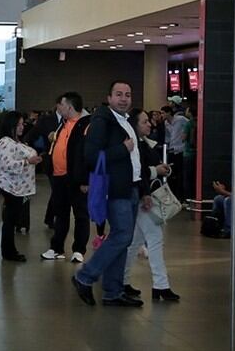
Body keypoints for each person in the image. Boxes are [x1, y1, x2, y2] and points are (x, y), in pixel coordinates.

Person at [73, 81, 153, 307]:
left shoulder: (125, 122)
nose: (124, 99)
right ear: (109, 98)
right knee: (122, 236)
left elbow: (138, 160)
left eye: (127, 94)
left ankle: (113, 291)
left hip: (132, 187)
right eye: (118, 94)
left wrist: (143, 188)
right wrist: (121, 149)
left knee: (122, 239)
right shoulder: (102, 122)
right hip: (116, 189)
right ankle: (85, 276)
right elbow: (90, 155)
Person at [122, 109, 178, 302]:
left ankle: (123, 280)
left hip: (143, 197)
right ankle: (160, 285)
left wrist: (161, 170)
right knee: (154, 239)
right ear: (135, 125)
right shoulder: (136, 146)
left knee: (135, 242)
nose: (150, 124)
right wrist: (156, 171)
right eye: (145, 121)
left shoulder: (144, 144)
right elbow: (139, 172)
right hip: (143, 197)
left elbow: (147, 170)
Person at [41, 92, 92, 263]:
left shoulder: (85, 125)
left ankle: (79, 250)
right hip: (59, 177)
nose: (58, 107)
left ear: (70, 107)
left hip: (76, 179)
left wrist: (85, 180)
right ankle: (56, 248)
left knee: (80, 215)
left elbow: (87, 155)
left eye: (61, 104)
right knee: (60, 214)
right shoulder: (62, 124)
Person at [0, 111, 41, 262]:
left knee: (11, 220)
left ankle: (10, 250)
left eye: (23, 124)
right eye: (19, 124)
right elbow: (8, 165)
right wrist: (28, 162)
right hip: (11, 188)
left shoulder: (15, 142)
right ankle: (8, 252)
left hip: (17, 188)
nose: (22, 127)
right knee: (9, 221)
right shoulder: (6, 143)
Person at [162, 105, 188, 201]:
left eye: (163, 113)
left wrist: (185, 135)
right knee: (172, 173)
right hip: (171, 149)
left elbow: (189, 125)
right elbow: (168, 137)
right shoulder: (166, 123)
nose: (162, 115)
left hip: (180, 149)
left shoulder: (180, 119)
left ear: (168, 113)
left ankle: (181, 196)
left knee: (180, 173)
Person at [181, 104, 197, 203]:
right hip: (197, 153)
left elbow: (183, 138)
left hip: (188, 153)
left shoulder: (189, 123)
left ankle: (187, 199)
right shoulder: (200, 122)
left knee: (187, 178)